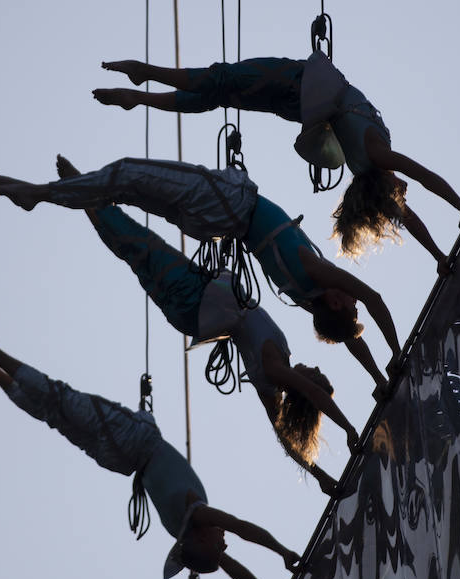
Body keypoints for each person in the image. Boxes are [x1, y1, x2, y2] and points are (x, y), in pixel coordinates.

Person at [54, 155, 361, 492]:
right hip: (190, 312)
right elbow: (287, 441)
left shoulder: (275, 371)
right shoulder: (269, 386)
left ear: (305, 387)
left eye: (313, 373)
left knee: (136, 242)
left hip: (194, 299)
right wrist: (320, 478)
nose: (311, 367)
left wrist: (348, 429)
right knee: (132, 247)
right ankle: (85, 194)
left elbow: (315, 397)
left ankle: (81, 188)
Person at [0, 327, 299, 579]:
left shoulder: (196, 519)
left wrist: (281, 553)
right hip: (118, 460)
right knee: (52, 416)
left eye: (218, 546)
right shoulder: (184, 529)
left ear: (200, 539)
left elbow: (241, 529)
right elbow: (231, 565)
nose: (224, 546)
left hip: (134, 439)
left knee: (59, 399)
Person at [0, 156, 399, 386]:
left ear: (337, 301)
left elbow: (374, 301)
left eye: (351, 305)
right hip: (215, 222)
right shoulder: (306, 297)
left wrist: (395, 357)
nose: (356, 299)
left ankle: (38, 194)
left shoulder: (313, 274)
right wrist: (379, 377)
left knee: (128, 174)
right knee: (129, 192)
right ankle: (73, 192)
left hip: (227, 203)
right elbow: (350, 337)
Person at [93, 56, 460, 270]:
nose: (402, 197)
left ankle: (147, 77)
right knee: (220, 94)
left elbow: (424, 178)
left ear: (386, 189)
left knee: (222, 81)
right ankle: (139, 96)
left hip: (298, 83)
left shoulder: (377, 159)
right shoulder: (370, 166)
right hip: (299, 104)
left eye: (396, 198)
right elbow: (413, 209)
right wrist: (442, 249)